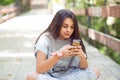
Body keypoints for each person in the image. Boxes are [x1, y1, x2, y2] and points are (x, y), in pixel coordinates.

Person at [26, 9, 100, 80]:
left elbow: (84, 67)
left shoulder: (74, 39)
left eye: (72, 27)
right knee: (31, 76)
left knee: (95, 71)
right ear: (57, 25)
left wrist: (81, 55)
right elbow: (39, 69)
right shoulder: (45, 39)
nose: (68, 30)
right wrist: (59, 55)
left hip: (70, 75)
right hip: (49, 76)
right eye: (65, 26)